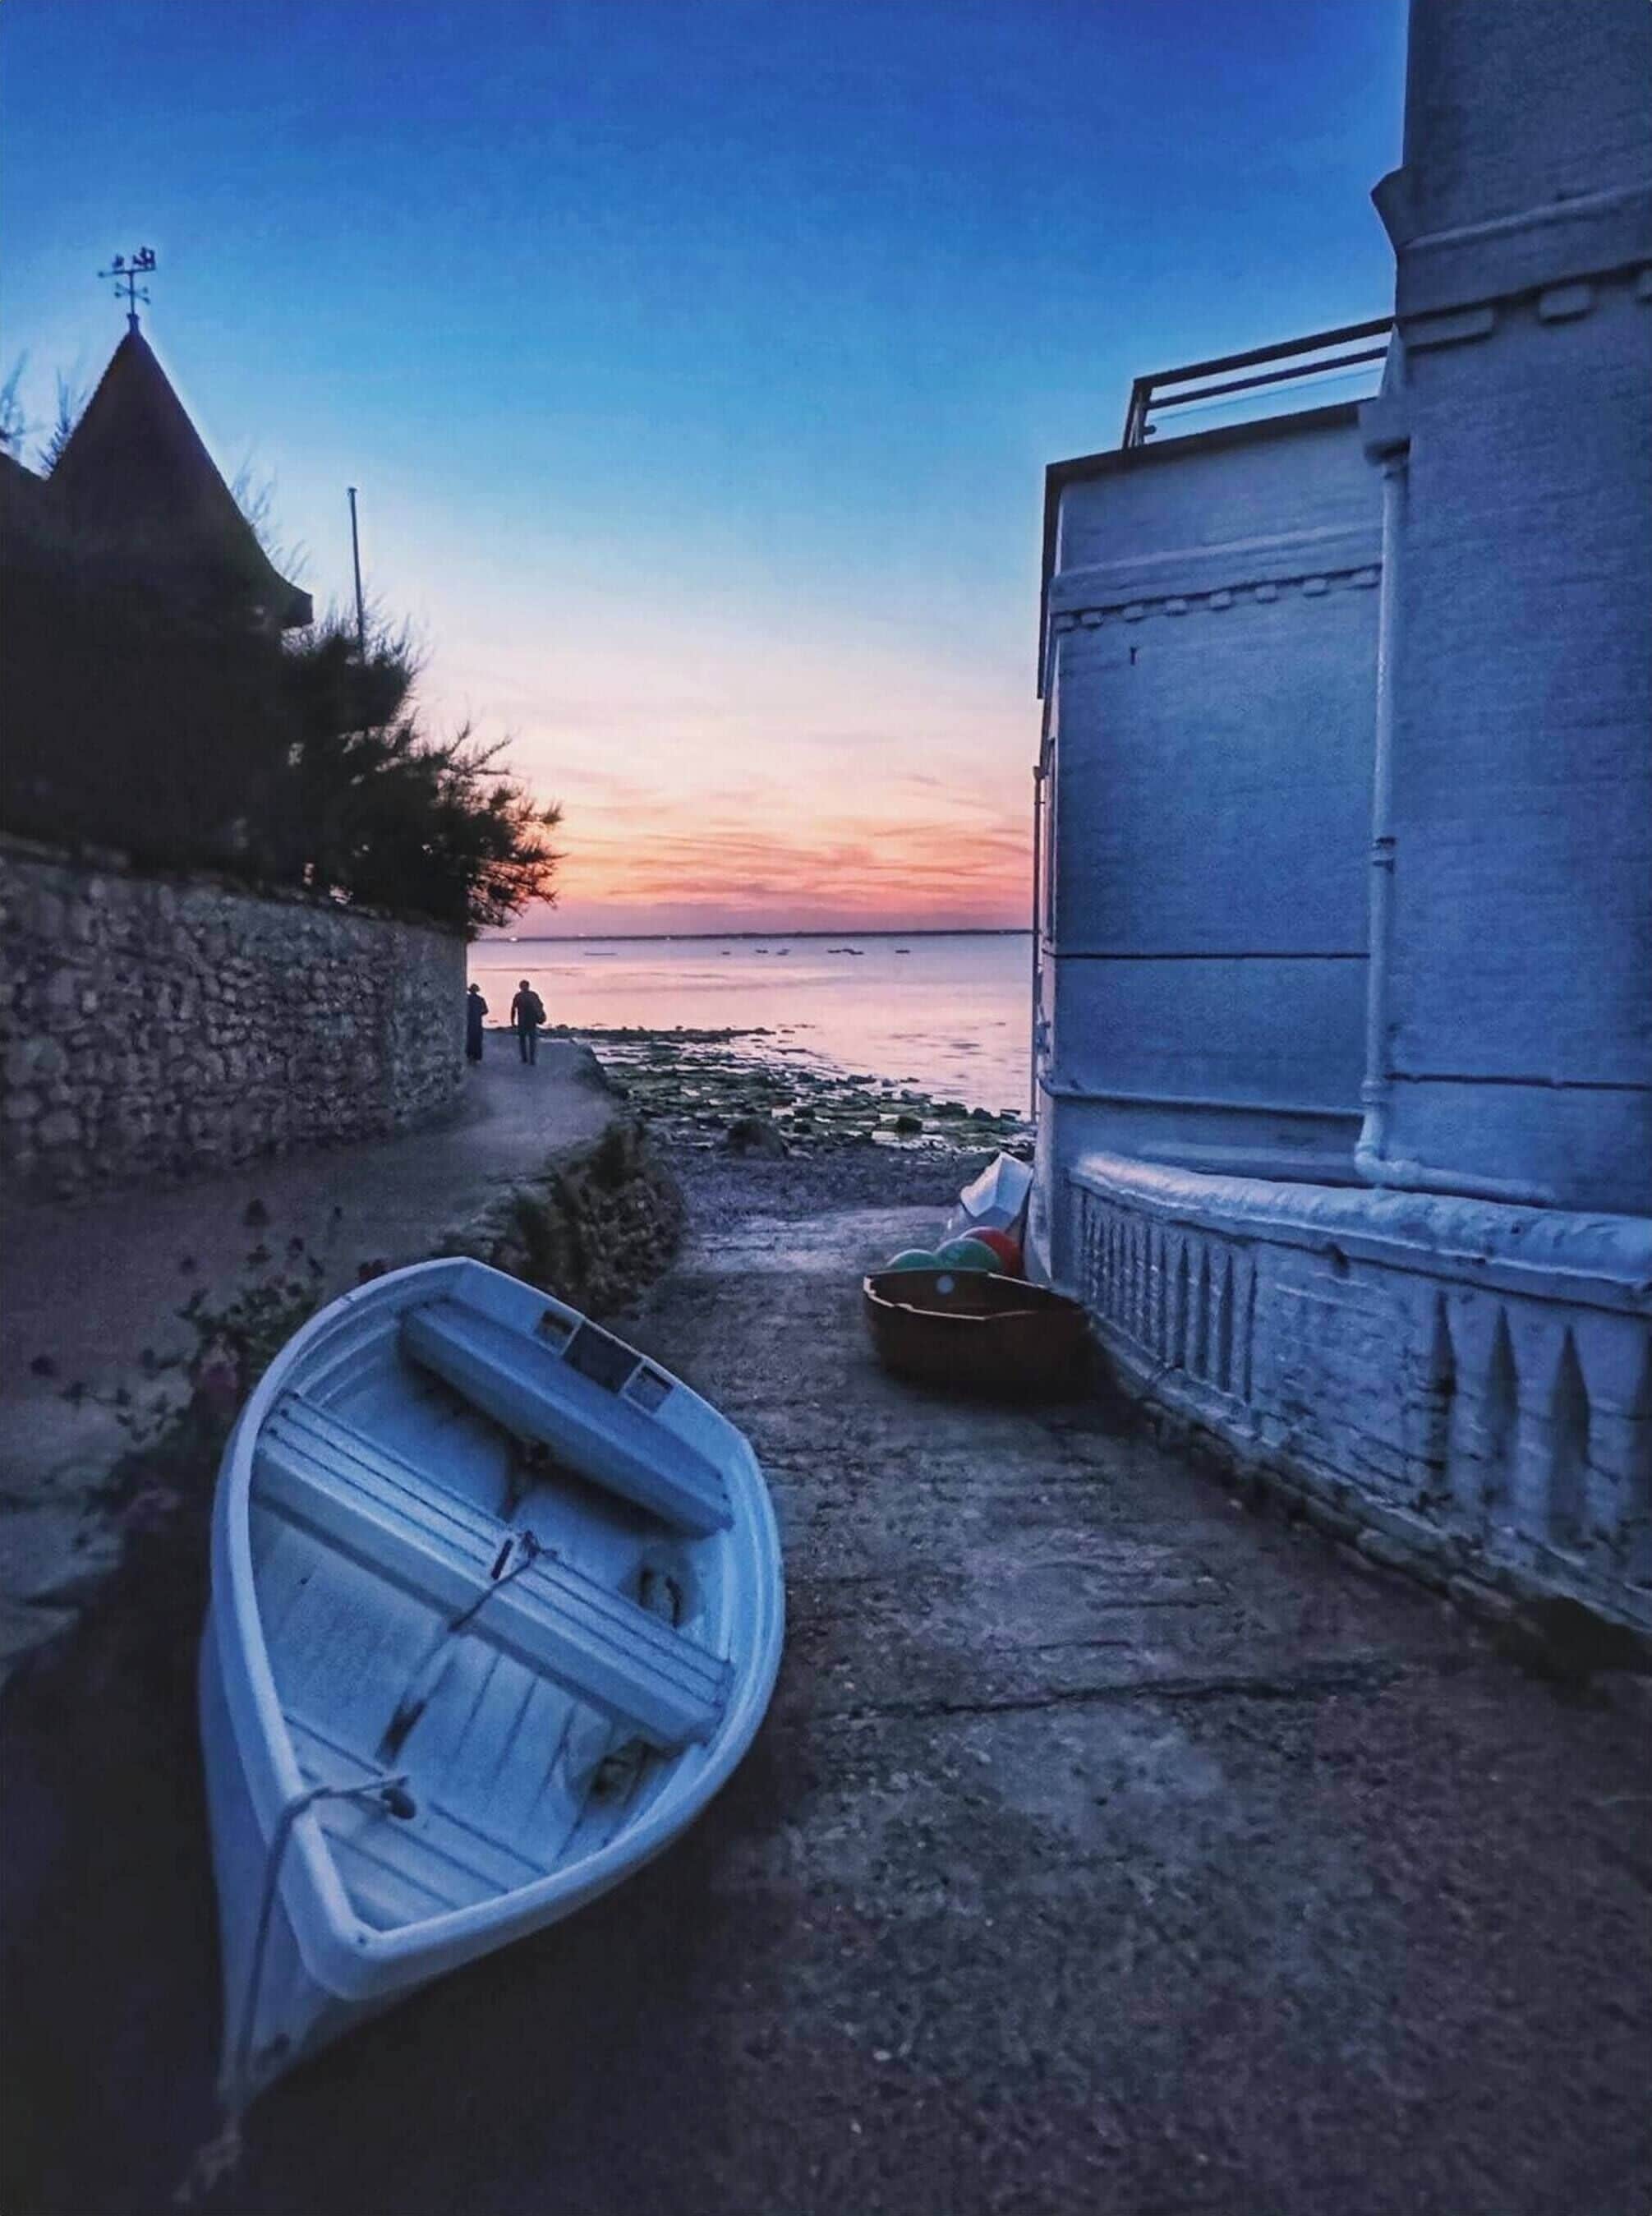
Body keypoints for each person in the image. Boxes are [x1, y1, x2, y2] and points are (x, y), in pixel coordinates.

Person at [510, 977, 545, 1065]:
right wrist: (541, 1016)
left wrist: (512, 1021)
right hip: (529, 1021)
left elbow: (513, 1009)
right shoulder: (532, 995)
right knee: (531, 1040)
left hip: (524, 1021)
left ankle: (525, 1058)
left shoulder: (519, 996)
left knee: (524, 1041)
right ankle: (530, 1059)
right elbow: (540, 1006)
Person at [464, 982, 488, 1063]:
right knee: (477, 1040)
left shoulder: (467, 999)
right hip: (477, 1022)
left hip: (469, 1022)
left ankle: (469, 1055)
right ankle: (476, 1057)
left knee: (470, 1039)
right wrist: (479, 1014)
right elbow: (486, 1011)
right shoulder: (481, 999)